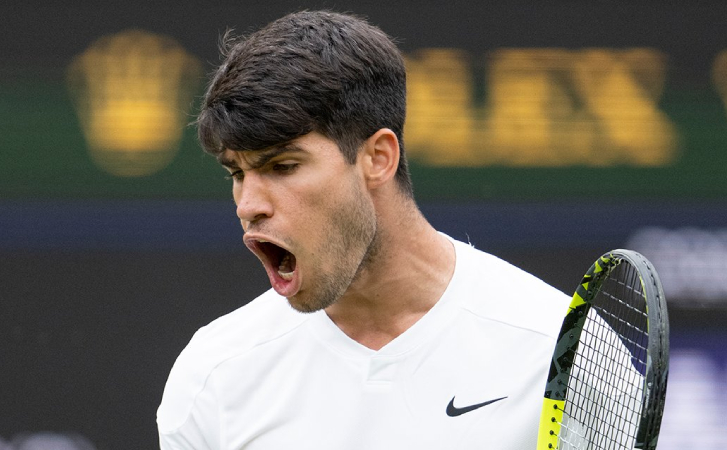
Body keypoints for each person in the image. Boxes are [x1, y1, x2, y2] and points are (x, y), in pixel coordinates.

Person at [157, 10, 569, 449]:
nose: (248, 205)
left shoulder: (560, 350)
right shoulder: (214, 374)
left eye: (283, 166)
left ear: (377, 158)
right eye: (236, 174)